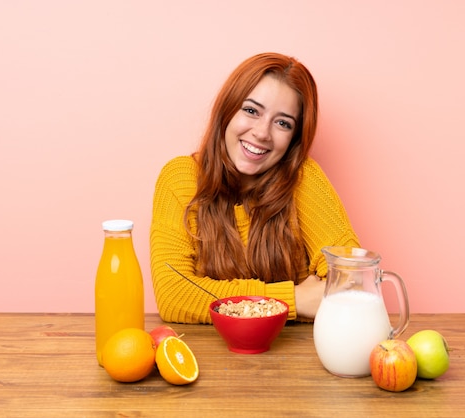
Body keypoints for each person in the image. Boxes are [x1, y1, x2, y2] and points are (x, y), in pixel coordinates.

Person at [150, 52, 360, 324]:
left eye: (283, 123)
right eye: (251, 111)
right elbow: (174, 295)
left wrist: (217, 297)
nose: (262, 133)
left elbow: (352, 280)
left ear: (294, 139)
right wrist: (295, 299)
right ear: (227, 110)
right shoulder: (180, 178)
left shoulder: (303, 177)